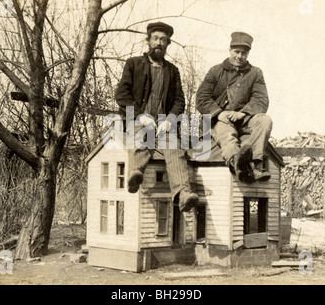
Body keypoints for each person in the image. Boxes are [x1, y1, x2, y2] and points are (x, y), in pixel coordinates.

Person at [115, 22, 198, 212]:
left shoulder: (172, 70)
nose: (158, 43)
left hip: (162, 124)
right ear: (148, 41)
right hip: (138, 119)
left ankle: (183, 194)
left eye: (163, 40)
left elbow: (179, 100)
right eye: (155, 39)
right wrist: (140, 115)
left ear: (168, 43)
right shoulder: (133, 64)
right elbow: (121, 95)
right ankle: (135, 175)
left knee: (175, 148)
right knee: (139, 136)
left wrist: (170, 119)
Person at [196, 31, 272, 183]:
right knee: (227, 133)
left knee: (265, 120)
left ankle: (256, 165)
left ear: (248, 54)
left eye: (244, 53)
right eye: (236, 51)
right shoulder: (215, 71)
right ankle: (237, 164)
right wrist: (219, 113)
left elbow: (261, 99)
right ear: (229, 50)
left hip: (244, 119)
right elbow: (202, 98)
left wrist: (243, 113)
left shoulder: (255, 73)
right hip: (219, 119)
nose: (239, 56)